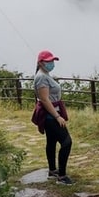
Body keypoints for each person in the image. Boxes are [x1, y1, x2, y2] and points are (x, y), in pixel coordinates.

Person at [33, 50, 74, 185]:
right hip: (51, 116)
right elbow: (44, 99)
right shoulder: (41, 77)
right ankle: (61, 176)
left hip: (50, 115)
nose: (51, 63)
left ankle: (52, 170)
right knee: (66, 142)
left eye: (52, 61)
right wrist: (57, 116)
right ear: (40, 63)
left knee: (51, 142)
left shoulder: (45, 75)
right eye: (48, 61)